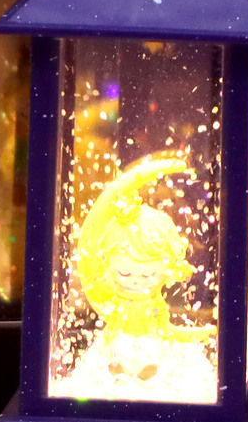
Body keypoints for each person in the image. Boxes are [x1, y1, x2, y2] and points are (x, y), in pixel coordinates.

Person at [73, 154, 194, 383]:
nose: (136, 280)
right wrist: (111, 332)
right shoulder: (117, 298)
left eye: (148, 274)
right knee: (117, 345)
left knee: (153, 346)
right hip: (122, 335)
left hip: (149, 336)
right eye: (125, 273)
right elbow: (111, 318)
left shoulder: (154, 302)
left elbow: (163, 323)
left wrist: (174, 332)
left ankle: (148, 368)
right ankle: (118, 367)